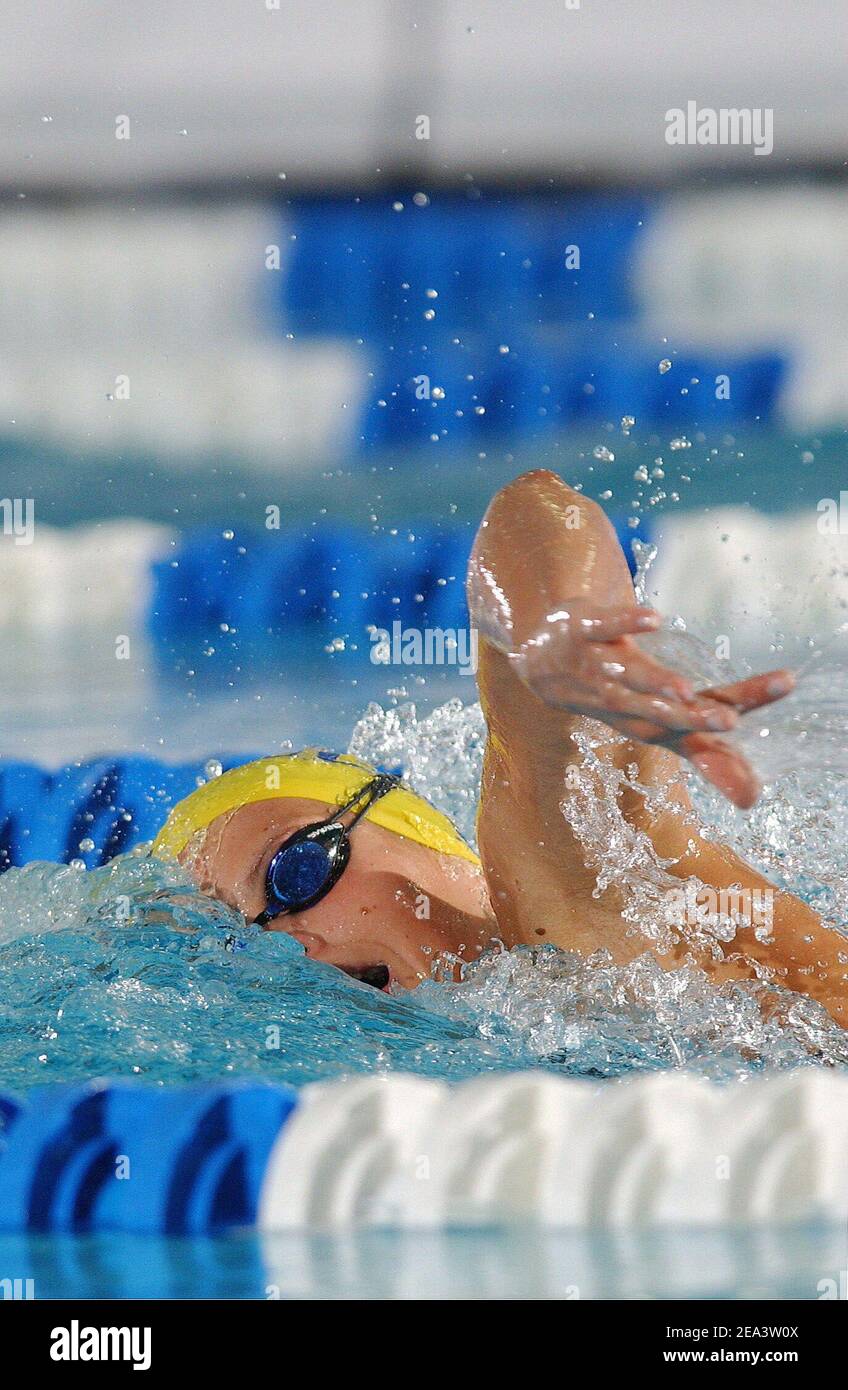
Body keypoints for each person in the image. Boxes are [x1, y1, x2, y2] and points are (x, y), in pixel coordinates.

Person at [152, 470, 848, 1027]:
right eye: (235, 943)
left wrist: (549, 623)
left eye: (293, 874)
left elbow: (534, 509)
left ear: (425, 843)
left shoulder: (571, 894)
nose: (285, 948)